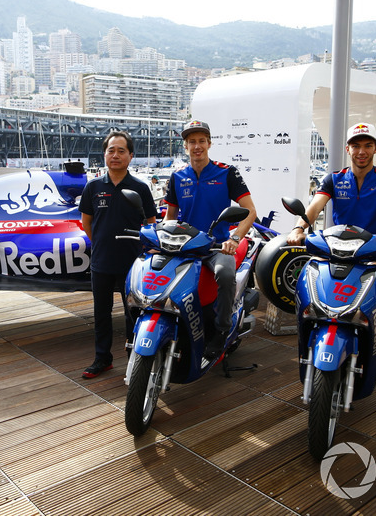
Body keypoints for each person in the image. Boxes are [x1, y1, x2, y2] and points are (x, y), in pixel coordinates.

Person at [286, 122, 376, 334]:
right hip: (335, 248)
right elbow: (315, 207)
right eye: (355, 146)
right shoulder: (333, 178)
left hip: (371, 250)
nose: (361, 151)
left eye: (367, 145)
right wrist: (298, 228)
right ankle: (309, 332)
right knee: (309, 274)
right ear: (348, 149)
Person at [163, 120, 257, 359]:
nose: (197, 146)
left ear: (209, 144)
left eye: (201, 141)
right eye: (192, 142)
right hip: (186, 246)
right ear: (185, 146)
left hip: (217, 246)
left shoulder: (227, 172)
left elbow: (250, 211)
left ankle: (222, 331)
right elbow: (170, 217)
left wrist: (235, 237)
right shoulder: (177, 177)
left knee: (226, 275)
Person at [79, 130, 157, 379]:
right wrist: (102, 244)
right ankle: (102, 359)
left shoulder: (140, 188)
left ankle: (135, 360)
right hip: (101, 261)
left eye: (121, 150)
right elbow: (87, 223)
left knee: (133, 313)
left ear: (131, 156)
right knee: (101, 313)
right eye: (111, 150)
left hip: (132, 263)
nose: (115, 155)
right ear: (104, 154)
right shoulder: (93, 187)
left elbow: (151, 225)